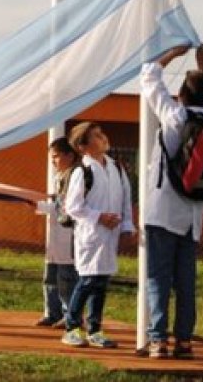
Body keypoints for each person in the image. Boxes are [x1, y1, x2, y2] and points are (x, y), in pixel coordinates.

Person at [139, 43, 203, 359]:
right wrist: (200, 63)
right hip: (193, 215)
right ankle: (184, 341)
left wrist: (171, 53)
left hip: (163, 211)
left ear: (181, 93)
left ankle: (158, 340)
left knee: (158, 277)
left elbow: (149, 77)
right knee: (185, 282)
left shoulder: (173, 116)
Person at [60, 122, 134, 349]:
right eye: (96, 136)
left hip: (109, 236)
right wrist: (99, 217)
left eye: (102, 133)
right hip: (91, 235)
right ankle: (71, 327)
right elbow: (73, 207)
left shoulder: (116, 168)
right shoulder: (82, 171)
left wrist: (127, 226)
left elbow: (126, 201)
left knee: (101, 282)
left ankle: (95, 330)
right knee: (88, 280)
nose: (103, 137)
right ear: (83, 147)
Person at [34, 137, 80, 328]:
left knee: (66, 279)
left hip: (67, 236)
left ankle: (70, 314)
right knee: (50, 278)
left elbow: (64, 207)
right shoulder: (59, 177)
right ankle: (52, 313)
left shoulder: (74, 176)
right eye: (51, 158)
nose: (53, 162)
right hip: (54, 239)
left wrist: (39, 205)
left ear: (70, 156)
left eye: (56, 157)